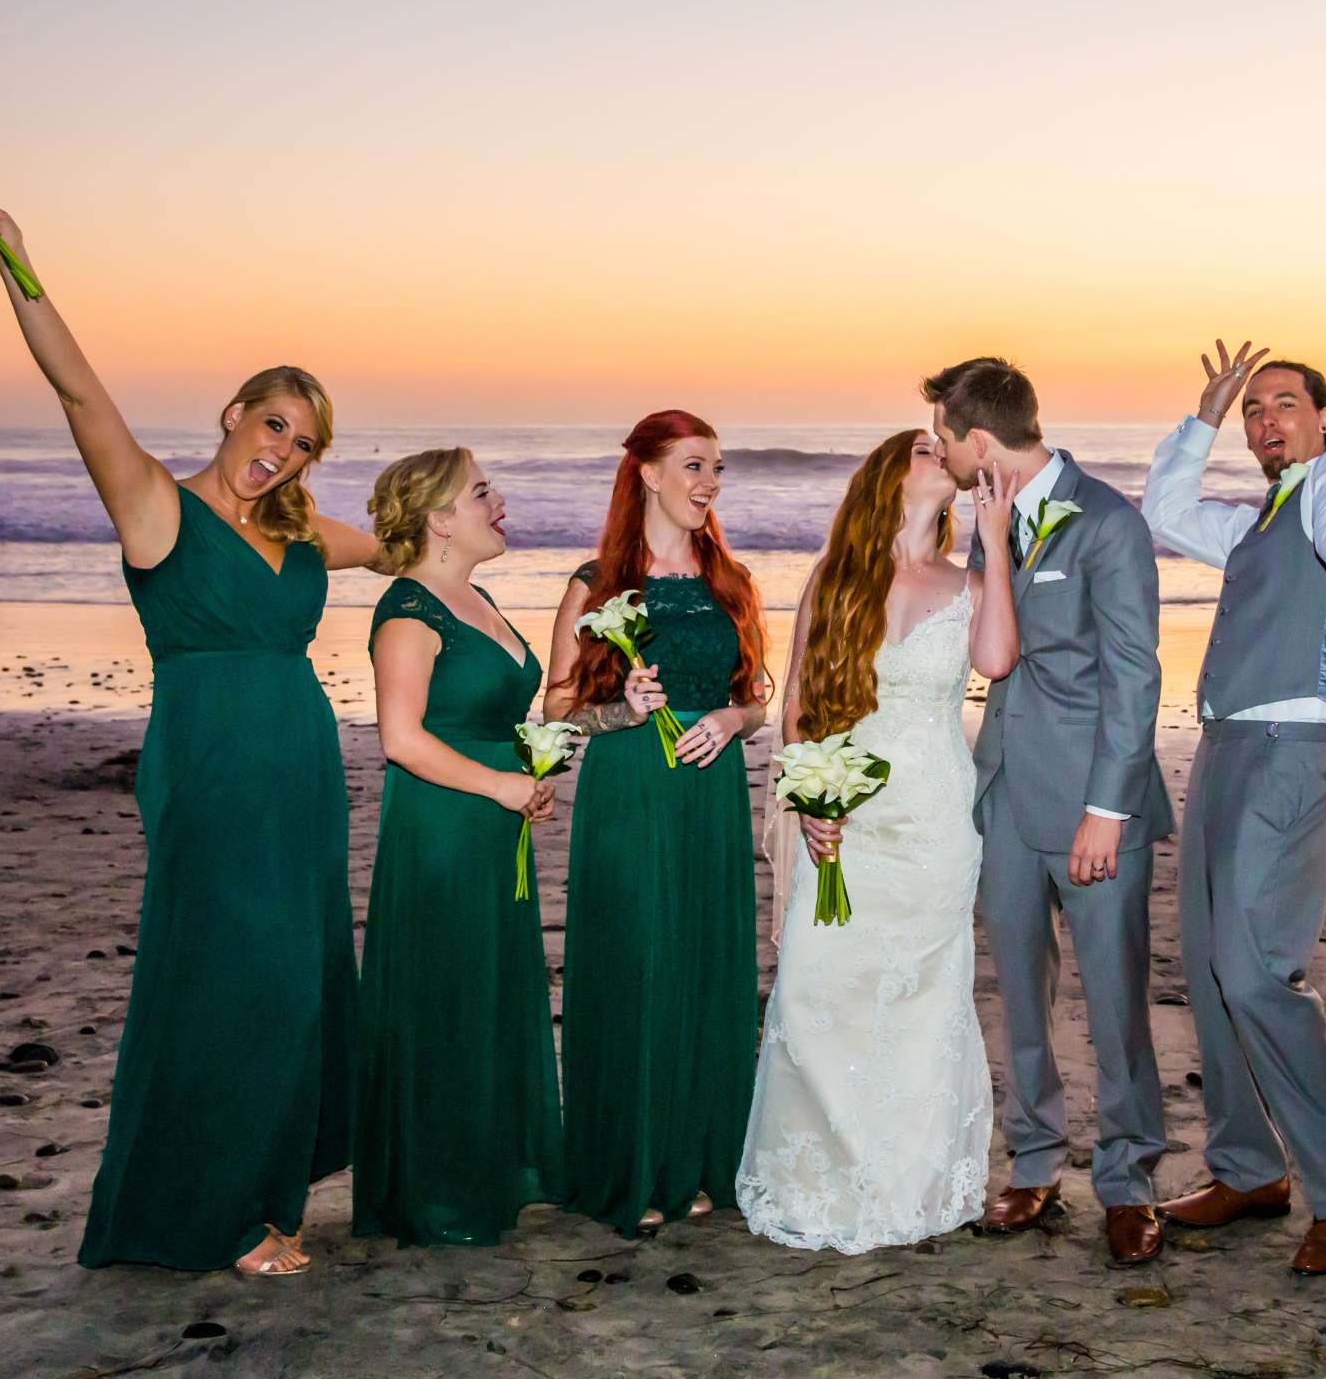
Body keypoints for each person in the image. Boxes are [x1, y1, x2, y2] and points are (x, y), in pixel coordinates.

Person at [0, 183, 376, 1276]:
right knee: (229, 976)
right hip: (215, 768)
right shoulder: (154, 507)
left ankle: (264, 1192)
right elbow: (79, 391)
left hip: (301, 774)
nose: (283, 450)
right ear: (235, 411)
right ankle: (217, 1215)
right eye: (274, 423)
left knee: (295, 977)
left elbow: (411, 546)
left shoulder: (299, 531)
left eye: (306, 442)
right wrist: (18, 264)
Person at [1140, 346, 1326, 1273]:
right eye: (1255, 410)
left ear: (1325, 419)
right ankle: (1247, 1167)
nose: (1267, 420)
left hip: (1290, 753)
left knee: (1255, 973)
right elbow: (1165, 509)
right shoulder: (1255, 522)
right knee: (1208, 969)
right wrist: (1202, 413)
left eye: (1285, 403)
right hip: (1223, 750)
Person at [736, 431, 1019, 1252]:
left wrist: (996, 545)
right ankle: (820, 1175)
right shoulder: (837, 577)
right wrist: (811, 799)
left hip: (931, 818)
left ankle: (905, 1180)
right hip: (848, 811)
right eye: (924, 449)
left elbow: (997, 659)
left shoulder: (967, 580)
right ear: (889, 478)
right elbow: (797, 709)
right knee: (820, 989)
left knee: (922, 998)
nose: (942, 457)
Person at [922, 357, 1175, 1268]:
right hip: (1003, 796)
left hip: (1095, 808)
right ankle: (1033, 1161)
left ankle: (1129, 1177)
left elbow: (1135, 677)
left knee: (1116, 1001)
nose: (942, 455)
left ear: (978, 440)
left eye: (946, 439)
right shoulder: (986, 525)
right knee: (1020, 997)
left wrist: (1107, 809)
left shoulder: (1108, 523)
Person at [544, 410, 769, 1237]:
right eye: (694, 466)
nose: (709, 484)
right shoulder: (595, 583)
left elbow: (757, 694)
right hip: (630, 795)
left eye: (718, 470)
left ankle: (694, 1159)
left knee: (705, 968)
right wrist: (621, 711)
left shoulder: (730, 580)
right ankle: (626, 1166)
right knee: (635, 968)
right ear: (645, 472)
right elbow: (558, 709)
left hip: (711, 797)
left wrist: (735, 722)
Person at [354, 449, 572, 1246]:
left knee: (488, 990)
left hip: (492, 826)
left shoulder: (474, 597)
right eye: (482, 491)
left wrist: (530, 768)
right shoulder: (412, 612)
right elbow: (402, 738)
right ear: (440, 518)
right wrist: (502, 786)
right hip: (442, 830)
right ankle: (437, 1192)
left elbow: (491, 716)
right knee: (443, 993)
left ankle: (488, 1168)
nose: (500, 501)